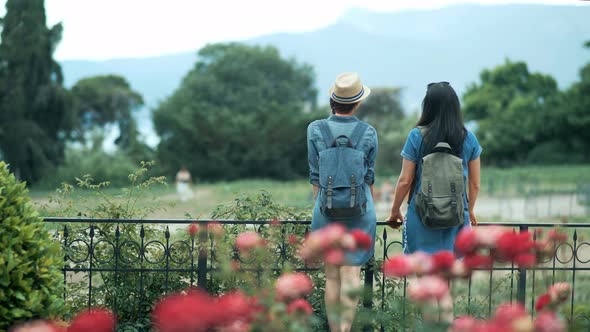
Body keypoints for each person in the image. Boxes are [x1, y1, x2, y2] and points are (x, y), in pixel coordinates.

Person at [307, 72, 377, 332]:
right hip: (360, 210)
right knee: (351, 273)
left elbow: (315, 176)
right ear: (357, 103)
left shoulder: (315, 129)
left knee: (332, 275)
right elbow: (369, 178)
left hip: (325, 210)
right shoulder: (368, 132)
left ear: (332, 100)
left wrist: (323, 206)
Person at [386, 81, 481, 253]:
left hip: (421, 214)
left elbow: (405, 180)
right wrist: (470, 210)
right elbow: (475, 184)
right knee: (450, 272)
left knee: (421, 272)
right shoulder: (469, 138)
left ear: (428, 106)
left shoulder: (416, 136)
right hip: (457, 216)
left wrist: (395, 210)